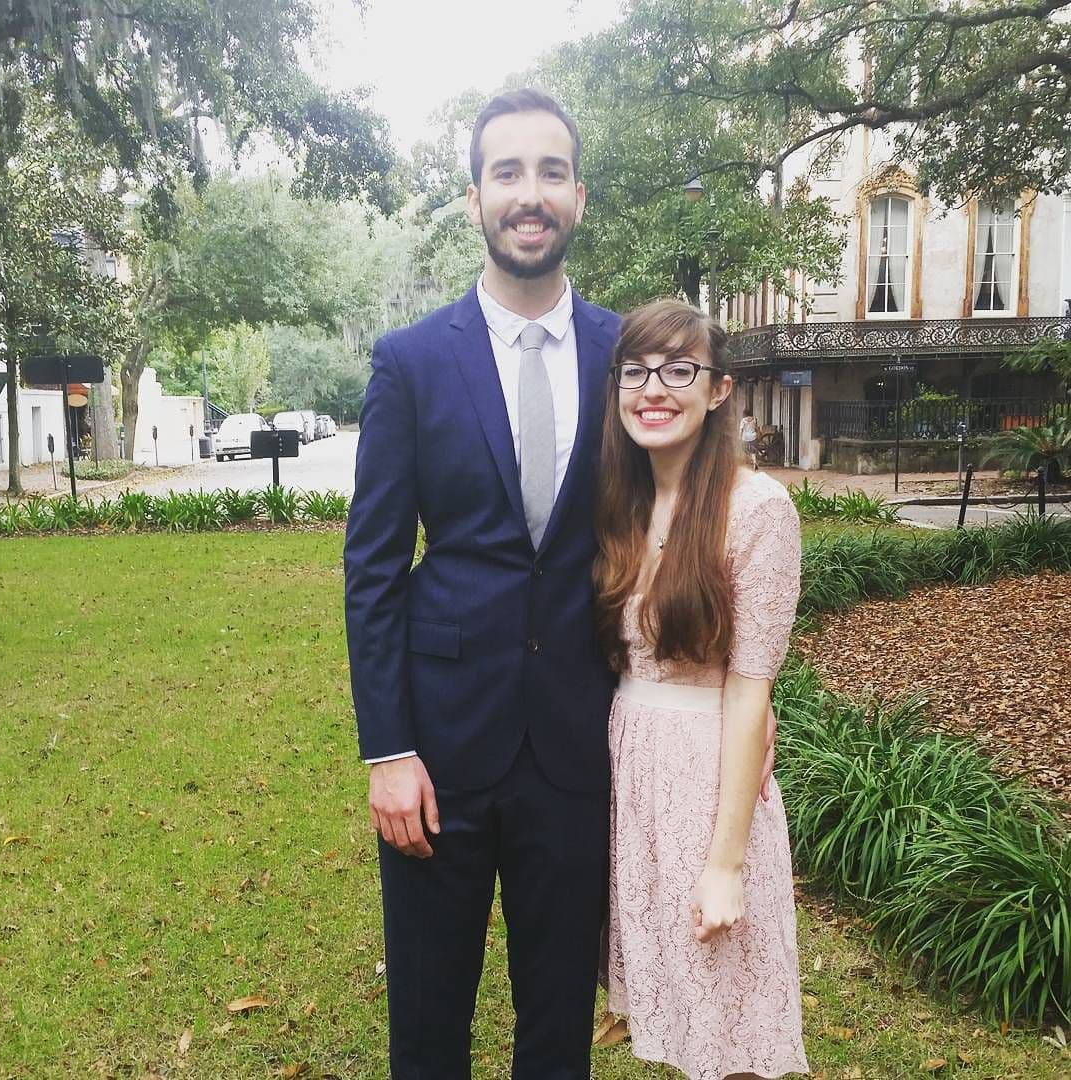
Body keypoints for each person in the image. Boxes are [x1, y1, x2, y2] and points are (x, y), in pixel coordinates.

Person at [343, 88, 620, 1079]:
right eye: (508, 172)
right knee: (428, 1025)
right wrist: (388, 751)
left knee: (557, 1033)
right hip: (440, 753)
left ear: (578, 196)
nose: (529, 194)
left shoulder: (628, 357)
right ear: (475, 198)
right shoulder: (411, 362)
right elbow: (373, 567)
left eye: (550, 172)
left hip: (577, 748)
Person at [595, 300, 809, 1080]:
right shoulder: (618, 502)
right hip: (632, 780)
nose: (655, 389)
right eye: (637, 371)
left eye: (678, 370)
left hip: (709, 784)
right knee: (684, 1023)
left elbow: (751, 689)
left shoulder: (757, 510)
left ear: (717, 389)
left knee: (732, 1027)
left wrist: (725, 862)